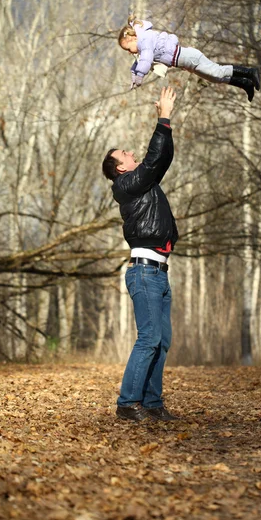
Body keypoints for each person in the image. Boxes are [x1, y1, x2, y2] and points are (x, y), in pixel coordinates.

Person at [102, 86, 179, 422]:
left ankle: (152, 403)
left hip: (159, 272)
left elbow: (160, 159)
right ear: (120, 169)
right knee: (149, 337)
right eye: (125, 154)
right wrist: (163, 118)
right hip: (144, 272)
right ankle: (127, 403)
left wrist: (166, 126)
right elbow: (153, 159)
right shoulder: (126, 186)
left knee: (162, 342)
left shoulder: (141, 183)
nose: (131, 154)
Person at [118, 14, 261, 102]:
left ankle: (249, 72)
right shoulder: (142, 45)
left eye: (128, 49)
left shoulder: (145, 41)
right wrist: (134, 77)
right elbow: (138, 63)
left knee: (217, 72)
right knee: (215, 78)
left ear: (132, 38)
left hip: (189, 57)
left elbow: (146, 59)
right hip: (187, 63)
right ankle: (244, 83)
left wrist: (140, 76)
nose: (130, 52)